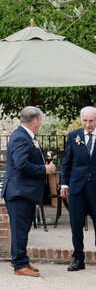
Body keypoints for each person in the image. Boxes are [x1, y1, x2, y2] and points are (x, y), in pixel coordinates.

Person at [2, 105, 55, 277]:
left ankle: (19, 258)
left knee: (22, 228)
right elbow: (21, 163)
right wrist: (44, 169)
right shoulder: (20, 137)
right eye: (40, 120)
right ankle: (20, 264)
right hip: (18, 192)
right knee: (20, 228)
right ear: (35, 121)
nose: (40, 123)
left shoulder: (26, 136)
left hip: (24, 191)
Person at [59, 106, 96, 272]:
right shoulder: (74, 136)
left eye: (91, 121)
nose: (87, 125)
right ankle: (79, 259)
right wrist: (64, 184)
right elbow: (66, 162)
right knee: (76, 224)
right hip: (77, 187)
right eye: (85, 121)